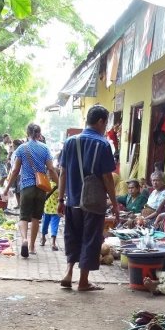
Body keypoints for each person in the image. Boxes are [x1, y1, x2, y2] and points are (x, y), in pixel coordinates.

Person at [57, 105, 118, 291]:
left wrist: (61, 200)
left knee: (72, 236)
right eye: (105, 123)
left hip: (73, 201)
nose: (105, 127)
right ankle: (83, 281)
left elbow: (62, 173)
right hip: (93, 202)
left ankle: (68, 273)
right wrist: (115, 205)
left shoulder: (70, 142)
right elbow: (108, 177)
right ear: (100, 121)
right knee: (90, 238)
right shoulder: (103, 144)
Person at [2, 123, 59, 258]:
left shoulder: (21, 148)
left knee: (23, 216)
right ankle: (32, 246)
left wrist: (7, 187)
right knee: (35, 218)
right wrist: (61, 185)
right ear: (39, 134)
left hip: (26, 187)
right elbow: (51, 169)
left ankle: (24, 240)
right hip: (41, 188)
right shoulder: (45, 149)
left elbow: (15, 170)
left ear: (27, 133)